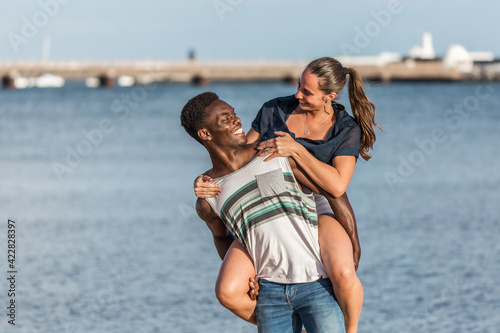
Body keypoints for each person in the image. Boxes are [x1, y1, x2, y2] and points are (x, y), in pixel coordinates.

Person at [194, 57, 380, 333]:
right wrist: (205, 180)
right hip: (269, 195)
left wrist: (297, 150)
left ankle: (350, 330)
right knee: (229, 289)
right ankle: (282, 318)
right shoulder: (274, 109)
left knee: (342, 272)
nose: (297, 95)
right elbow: (240, 159)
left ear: (330, 96)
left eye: (307, 92)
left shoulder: (345, 129)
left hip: (316, 201)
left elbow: (337, 187)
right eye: (298, 86)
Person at [180, 92, 346, 332]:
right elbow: (220, 236)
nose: (237, 121)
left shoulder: (273, 151)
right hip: (271, 295)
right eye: (226, 119)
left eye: (234, 115)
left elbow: (334, 192)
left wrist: (353, 247)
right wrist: (250, 277)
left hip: (317, 283)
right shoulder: (210, 192)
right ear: (205, 134)